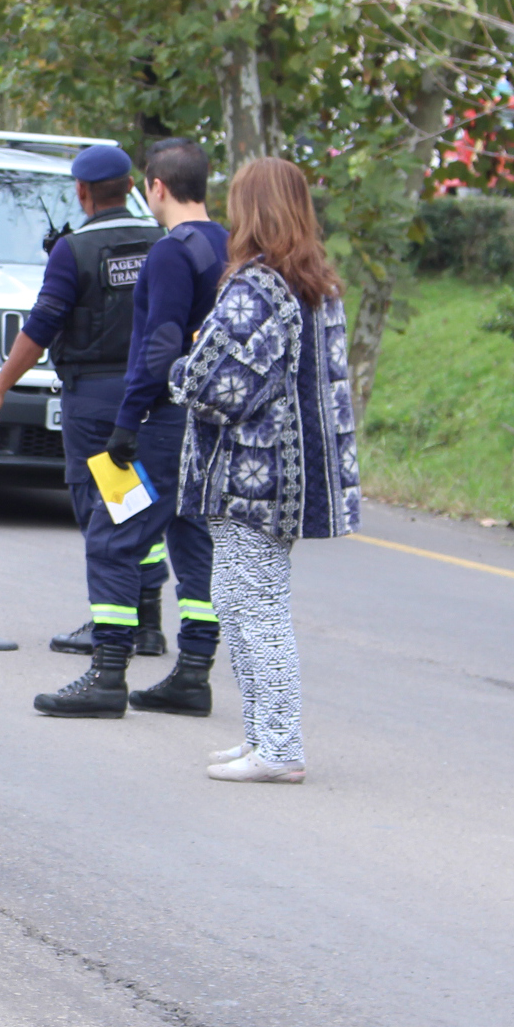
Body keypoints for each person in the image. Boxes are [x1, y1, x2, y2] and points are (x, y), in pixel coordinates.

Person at [167, 156, 358, 782]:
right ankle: (260, 735)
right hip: (294, 474)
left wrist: (181, 370)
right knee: (239, 597)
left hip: (250, 474)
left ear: (251, 211)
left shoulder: (256, 287)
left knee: (256, 606)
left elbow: (215, 384)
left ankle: (278, 747)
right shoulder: (315, 285)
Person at [0, 143, 160, 716]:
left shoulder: (76, 250)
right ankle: (146, 619)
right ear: (131, 185)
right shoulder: (163, 244)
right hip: (154, 399)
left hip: (98, 403)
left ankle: (113, 653)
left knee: (105, 513)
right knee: (137, 504)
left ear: (82, 192)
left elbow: (45, 323)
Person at [105, 137, 228, 717]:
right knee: (193, 541)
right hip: (208, 425)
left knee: (116, 536)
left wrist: (127, 420)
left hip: (161, 421)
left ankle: (107, 671)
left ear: (156, 187)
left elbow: (161, 344)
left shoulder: (170, 253)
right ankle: (194, 672)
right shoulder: (228, 245)